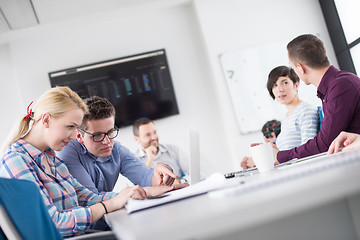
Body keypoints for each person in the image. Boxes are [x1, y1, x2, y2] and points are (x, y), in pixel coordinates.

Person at [0, 87, 161, 237]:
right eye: (70, 126)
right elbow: (54, 223)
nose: (72, 137)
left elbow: (86, 197)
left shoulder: (51, 158)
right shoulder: (16, 160)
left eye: (75, 128)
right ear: (47, 120)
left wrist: (137, 193)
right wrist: (109, 205)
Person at [243, 34, 360, 168]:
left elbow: (325, 143)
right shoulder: (334, 87)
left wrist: (278, 156)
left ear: (300, 68)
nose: (280, 89)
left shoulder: (341, 86)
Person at [57, 96, 179, 196]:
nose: (107, 141)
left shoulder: (117, 150)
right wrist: (139, 193)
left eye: (110, 132)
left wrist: (160, 174)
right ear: (79, 136)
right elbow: (91, 198)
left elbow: (146, 178)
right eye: (97, 135)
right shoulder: (67, 151)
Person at [241, 66, 319, 169]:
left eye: (285, 83)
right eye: (275, 85)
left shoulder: (305, 110)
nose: (280, 89)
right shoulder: (286, 117)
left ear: (296, 85)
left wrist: (275, 158)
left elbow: (308, 152)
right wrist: (263, 155)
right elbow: (286, 154)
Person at [133, 117, 189, 184]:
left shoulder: (173, 149)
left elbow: (195, 173)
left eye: (154, 132)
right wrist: (149, 160)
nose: (153, 137)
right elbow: (140, 185)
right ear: (137, 139)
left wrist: (179, 181)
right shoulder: (134, 160)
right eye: (148, 135)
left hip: (179, 190)